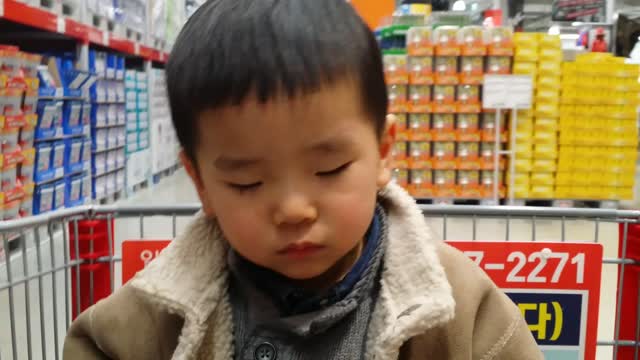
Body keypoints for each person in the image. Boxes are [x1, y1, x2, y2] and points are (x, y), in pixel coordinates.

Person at [63, 0, 542, 359]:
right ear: (200, 183)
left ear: (382, 151)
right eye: (247, 182)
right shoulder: (157, 311)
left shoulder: (459, 308)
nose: (294, 210)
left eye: (329, 170)